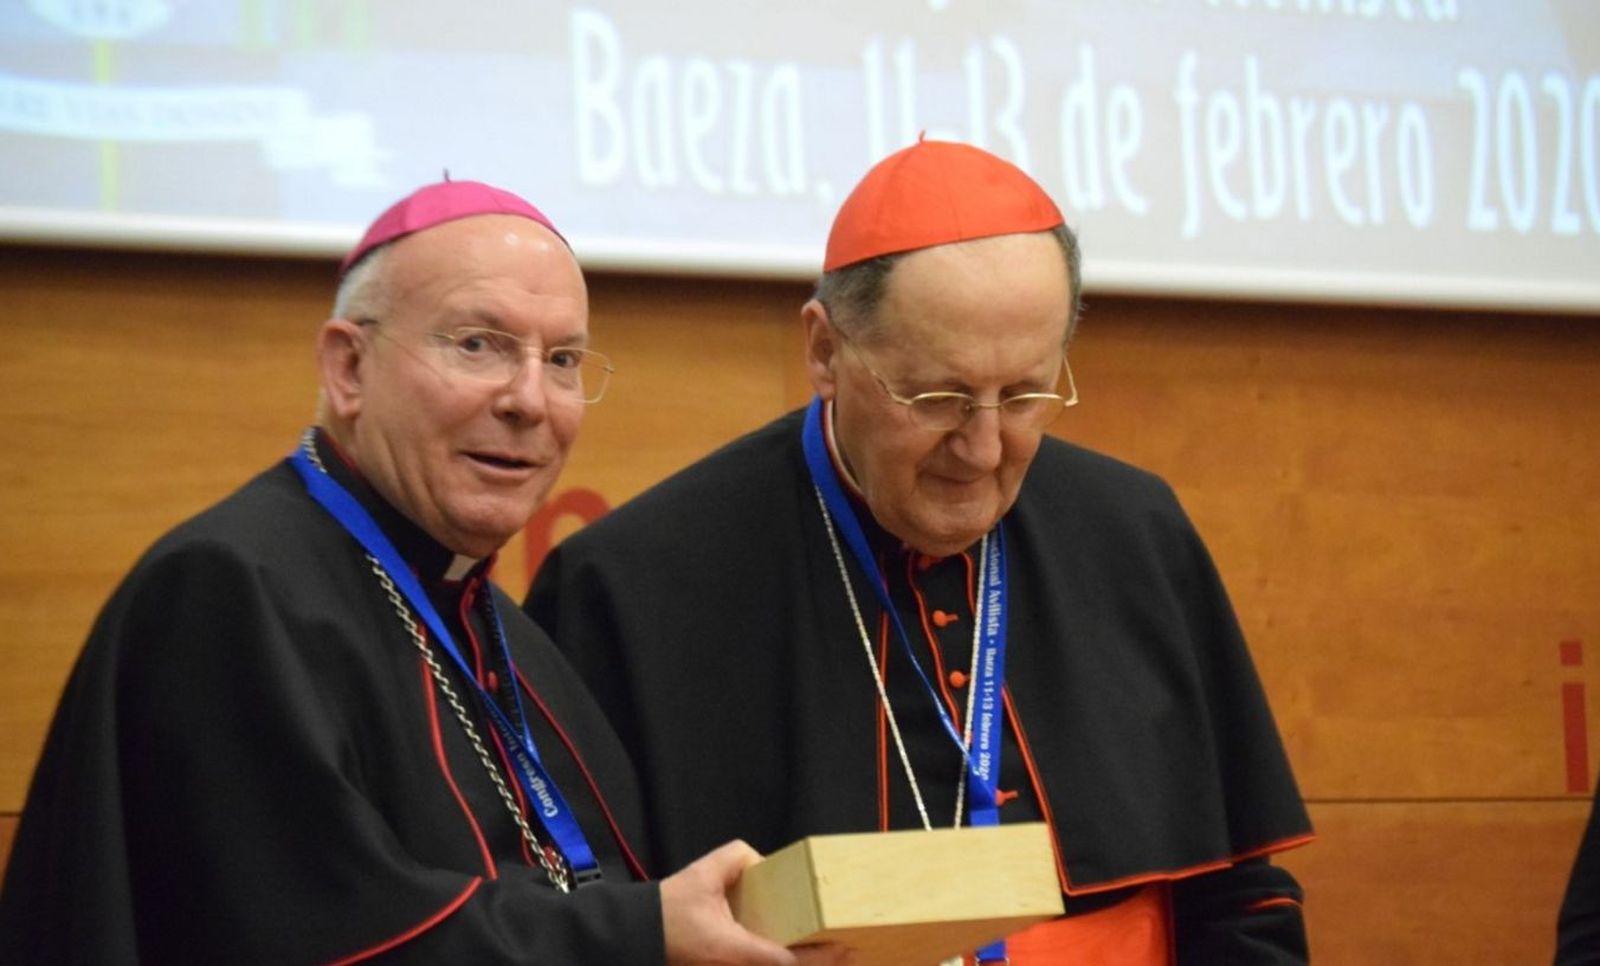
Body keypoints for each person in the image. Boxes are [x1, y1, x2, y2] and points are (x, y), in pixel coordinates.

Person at [0, 180, 840, 965]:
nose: (529, 399)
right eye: (479, 345)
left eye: (562, 361)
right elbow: (314, 929)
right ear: (349, 368)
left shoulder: (508, 637)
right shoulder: (227, 593)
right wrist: (637, 930)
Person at [525, 138, 1315, 964]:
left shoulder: (1135, 533)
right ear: (825, 352)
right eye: (938, 397)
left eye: (1024, 395)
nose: (980, 449)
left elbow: (1240, 896)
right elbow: (601, 929)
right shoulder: (635, 585)